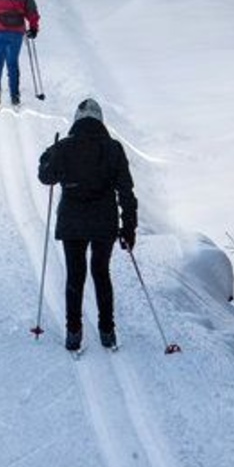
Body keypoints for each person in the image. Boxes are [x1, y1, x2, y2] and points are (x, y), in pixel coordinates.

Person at [37, 98, 138, 352]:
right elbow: (126, 191)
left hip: (73, 221)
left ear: (76, 120)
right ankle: (107, 331)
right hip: (104, 222)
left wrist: (47, 156)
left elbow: (46, 177)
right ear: (100, 120)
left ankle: (74, 332)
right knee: (101, 273)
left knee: (75, 274)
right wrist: (129, 228)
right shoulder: (113, 149)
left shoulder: (64, 147)